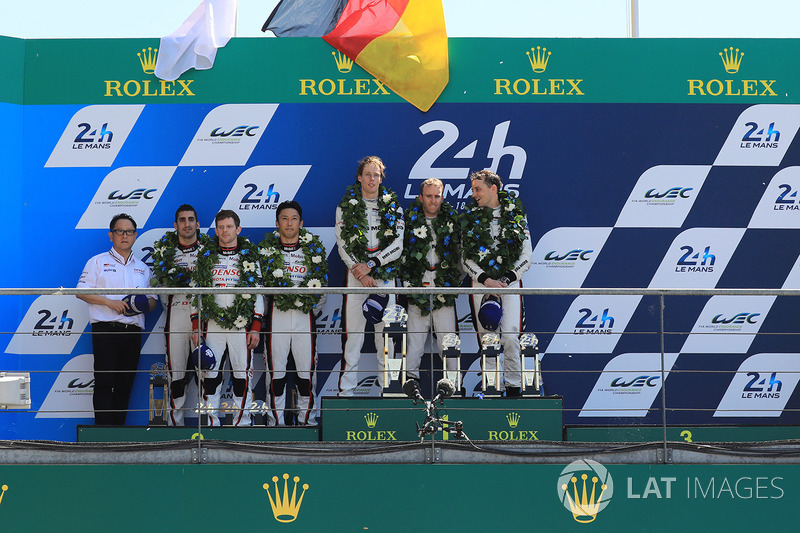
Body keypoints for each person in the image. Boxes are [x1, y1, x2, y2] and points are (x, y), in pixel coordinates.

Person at [77, 213, 157, 425]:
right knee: (104, 383)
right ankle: (103, 435)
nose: (125, 236)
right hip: (106, 330)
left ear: (135, 235)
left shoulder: (143, 268)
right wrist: (108, 302)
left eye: (129, 232)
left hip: (132, 332)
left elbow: (153, 301)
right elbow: (80, 292)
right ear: (111, 235)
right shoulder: (97, 262)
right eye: (120, 231)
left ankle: (118, 434)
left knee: (125, 385)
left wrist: (138, 306)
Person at [334, 155, 404, 395]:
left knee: (385, 340)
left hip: (385, 279)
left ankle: (389, 391)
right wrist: (361, 273)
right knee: (353, 339)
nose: (372, 179)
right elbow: (343, 244)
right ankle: (346, 392)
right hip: (356, 280)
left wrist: (372, 264)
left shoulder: (393, 206)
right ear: (359, 177)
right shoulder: (345, 206)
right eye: (368, 174)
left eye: (376, 175)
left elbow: (399, 244)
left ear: (381, 178)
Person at [461, 170, 533, 396]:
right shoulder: (470, 216)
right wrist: (486, 280)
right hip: (481, 284)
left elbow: (526, 255)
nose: (473, 194)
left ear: (493, 188)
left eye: (477, 189)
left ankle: (513, 387)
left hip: (509, 284)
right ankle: (491, 387)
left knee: (511, 336)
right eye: (473, 189)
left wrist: (504, 280)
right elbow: (465, 258)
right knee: (488, 338)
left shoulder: (516, 212)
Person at [259, 200, 328, 425]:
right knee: (276, 376)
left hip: (304, 318)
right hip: (276, 317)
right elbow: (260, 291)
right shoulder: (266, 251)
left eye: (294, 218)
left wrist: (308, 310)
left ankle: (307, 421)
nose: (289, 223)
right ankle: (275, 423)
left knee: (305, 377)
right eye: (285, 219)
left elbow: (322, 289)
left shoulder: (313, 250)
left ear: (301, 222)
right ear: (277, 223)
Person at [191, 210, 263, 426]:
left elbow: (258, 292)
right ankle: (210, 424)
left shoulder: (249, 256)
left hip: (241, 327)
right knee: (210, 377)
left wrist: (256, 326)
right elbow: (196, 292)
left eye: (229, 227)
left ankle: (242, 424)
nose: (225, 231)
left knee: (242, 377)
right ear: (216, 230)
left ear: (238, 230)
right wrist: (196, 325)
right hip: (212, 326)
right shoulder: (205, 256)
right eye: (221, 227)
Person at [150, 204, 208, 426]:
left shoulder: (208, 251)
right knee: (177, 376)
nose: (187, 224)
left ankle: (209, 426)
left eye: (191, 219)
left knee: (207, 375)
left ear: (198, 224)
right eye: (182, 220)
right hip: (176, 315)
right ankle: (176, 426)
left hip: (204, 318)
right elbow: (164, 295)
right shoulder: (167, 253)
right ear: (176, 226)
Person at [400, 178, 462, 384]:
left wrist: (452, 283)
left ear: (442, 197)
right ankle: (410, 391)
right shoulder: (409, 223)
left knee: (449, 343)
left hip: (444, 291)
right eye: (429, 196)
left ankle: (454, 390)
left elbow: (460, 259)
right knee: (414, 345)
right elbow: (402, 258)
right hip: (417, 290)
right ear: (420, 198)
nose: (433, 200)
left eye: (437, 196)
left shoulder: (453, 222)